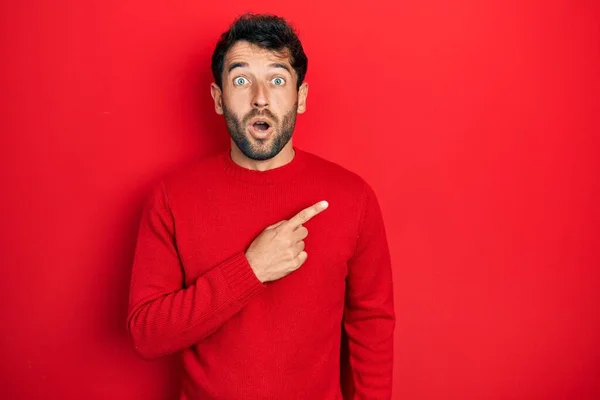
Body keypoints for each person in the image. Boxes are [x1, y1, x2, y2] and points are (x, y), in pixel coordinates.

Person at [127, 13, 395, 400]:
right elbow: (146, 334)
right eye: (241, 80)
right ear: (219, 99)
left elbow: (372, 326)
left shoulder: (354, 197)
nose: (260, 98)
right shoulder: (171, 197)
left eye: (277, 79)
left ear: (300, 98)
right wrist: (251, 269)